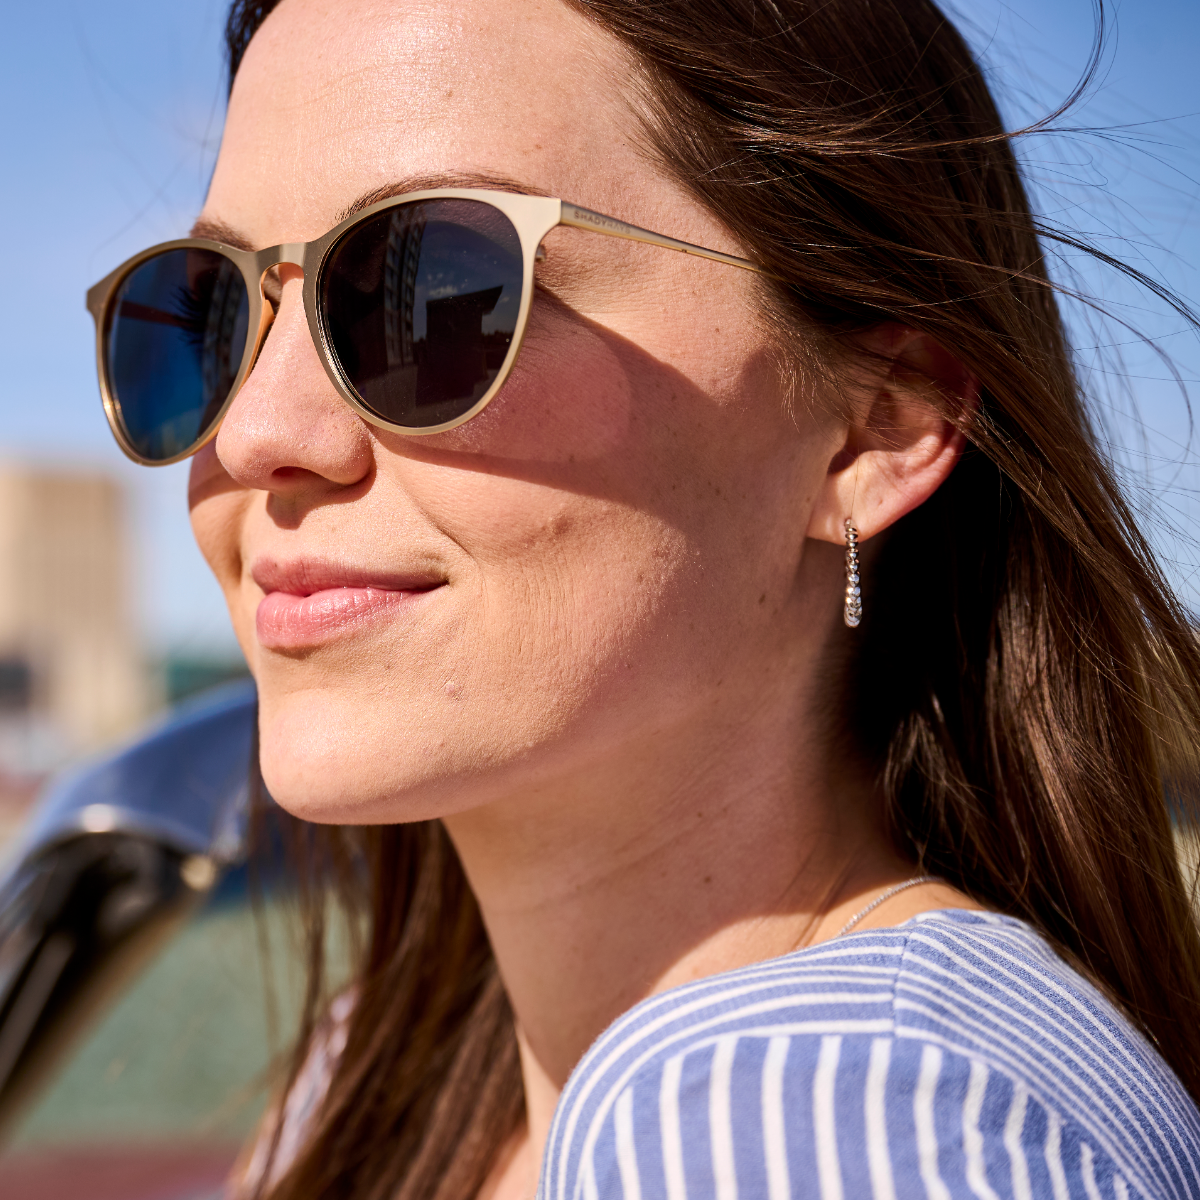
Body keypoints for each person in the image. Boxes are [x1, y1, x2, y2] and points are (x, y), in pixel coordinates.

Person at [85, 0, 1200, 1196]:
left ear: (876, 427)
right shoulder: (370, 1084)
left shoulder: (818, 1125)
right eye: (211, 315)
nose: (255, 434)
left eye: (431, 293)